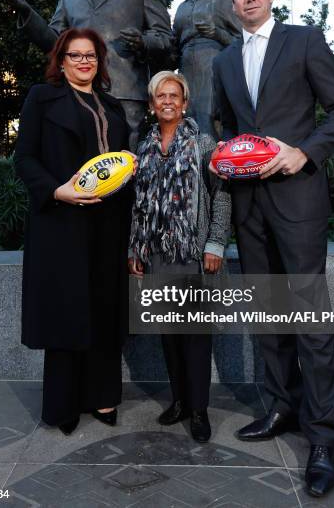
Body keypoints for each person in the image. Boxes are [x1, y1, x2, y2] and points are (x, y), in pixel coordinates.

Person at [211, 0, 334, 497]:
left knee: (311, 323)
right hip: (250, 209)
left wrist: (305, 152)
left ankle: (322, 438)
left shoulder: (303, 40)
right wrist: (222, 157)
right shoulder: (227, 61)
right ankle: (281, 409)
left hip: (298, 203)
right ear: (232, 2)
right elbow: (229, 128)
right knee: (269, 316)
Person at [14, 27, 135, 436]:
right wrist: (55, 190)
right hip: (62, 223)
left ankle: (102, 396)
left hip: (108, 224)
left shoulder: (112, 105)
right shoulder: (40, 98)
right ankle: (63, 404)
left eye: (91, 56)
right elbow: (24, 158)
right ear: (61, 60)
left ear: (99, 62)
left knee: (104, 307)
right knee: (67, 311)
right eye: (75, 55)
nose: (84, 61)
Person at [0, 0, 172, 150]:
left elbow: (165, 38)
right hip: (79, 92)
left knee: (127, 168)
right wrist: (26, 11)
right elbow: (54, 42)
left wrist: (143, 42)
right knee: (85, 170)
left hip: (125, 92)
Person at [128, 71, 231, 442]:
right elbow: (138, 205)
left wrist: (215, 243)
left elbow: (221, 194)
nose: (167, 101)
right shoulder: (143, 147)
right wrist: (135, 249)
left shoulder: (203, 143)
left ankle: (199, 409)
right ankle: (180, 402)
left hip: (193, 254)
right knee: (169, 334)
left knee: (195, 335)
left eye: (174, 95)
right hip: (157, 254)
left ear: (185, 103)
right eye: (160, 96)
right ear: (153, 105)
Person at [173, 0, 239, 139]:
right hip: (184, 76)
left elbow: (247, 44)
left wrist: (217, 33)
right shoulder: (184, 5)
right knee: (184, 131)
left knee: (209, 132)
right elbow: (172, 50)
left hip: (213, 76)